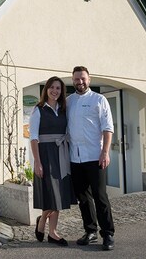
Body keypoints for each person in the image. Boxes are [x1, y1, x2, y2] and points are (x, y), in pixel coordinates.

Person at [67, 66, 115, 251]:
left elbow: (107, 128)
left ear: (89, 79)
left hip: (96, 156)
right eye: (77, 79)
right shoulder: (69, 101)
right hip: (75, 157)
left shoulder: (99, 100)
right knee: (83, 198)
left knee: (100, 196)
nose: (80, 82)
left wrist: (105, 152)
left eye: (83, 78)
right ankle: (90, 231)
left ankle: (108, 234)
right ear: (73, 81)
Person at [30, 76, 76, 247]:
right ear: (46, 90)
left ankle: (51, 232)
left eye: (58, 88)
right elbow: (34, 138)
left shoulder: (64, 109)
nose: (55, 91)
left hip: (62, 153)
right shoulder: (39, 109)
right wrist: (37, 162)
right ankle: (43, 222)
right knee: (52, 195)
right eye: (52, 87)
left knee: (60, 194)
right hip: (45, 155)